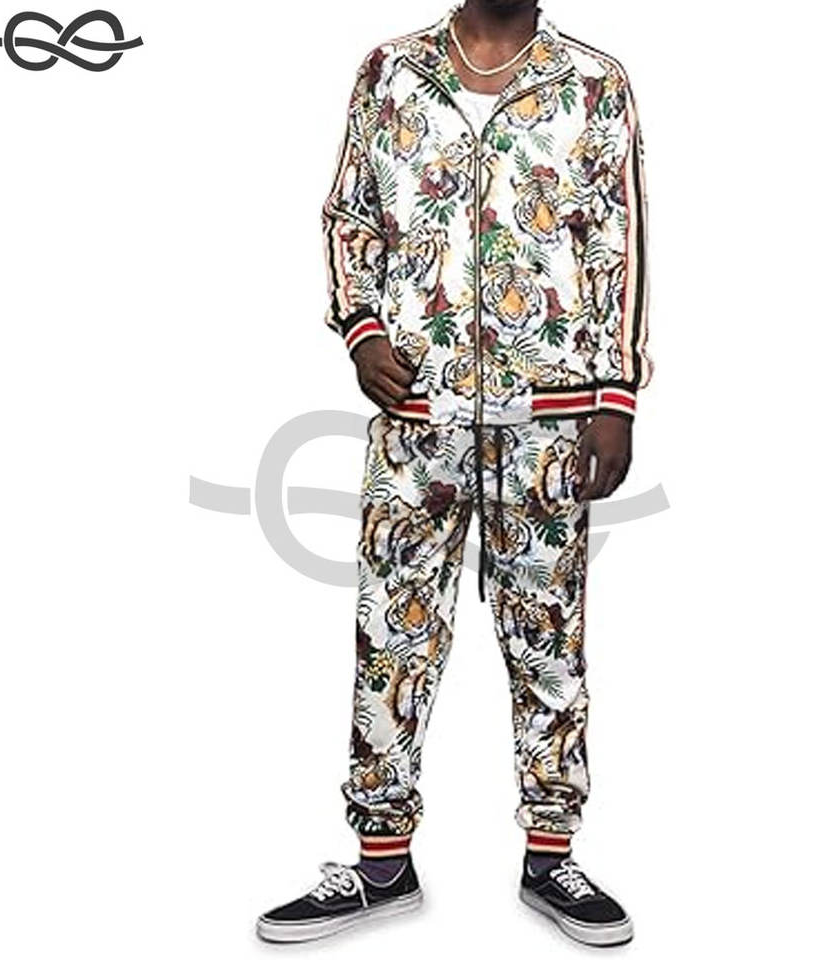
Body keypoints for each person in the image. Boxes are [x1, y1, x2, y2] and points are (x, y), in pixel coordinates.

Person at [256, 0, 651, 946]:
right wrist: (362, 331)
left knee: (548, 635)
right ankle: (380, 864)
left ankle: (552, 857)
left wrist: (616, 397)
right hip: (417, 416)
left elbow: (620, 243)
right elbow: (350, 214)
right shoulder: (391, 71)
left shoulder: (595, 82)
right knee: (392, 631)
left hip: (550, 417)